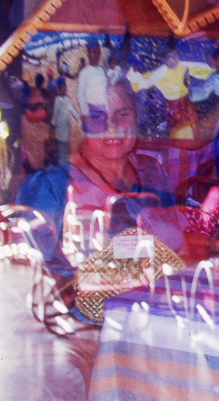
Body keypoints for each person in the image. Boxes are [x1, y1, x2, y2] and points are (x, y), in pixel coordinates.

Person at [17, 79, 184, 280]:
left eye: (123, 114)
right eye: (97, 115)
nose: (112, 125)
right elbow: (33, 277)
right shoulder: (49, 187)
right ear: (84, 123)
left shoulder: (152, 173)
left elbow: (178, 250)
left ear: (136, 118)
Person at [76, 38, 109, 134]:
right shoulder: (84, 72)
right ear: (88, 54)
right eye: (94, 52)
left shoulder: (101, 70)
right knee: (91, 138)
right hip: (90, 112)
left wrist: (107, 110)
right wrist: (85, 113)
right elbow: (80, 94)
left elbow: (105, 92)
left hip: (102, 111)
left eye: (99, 52)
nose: (97, 55)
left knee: (102, 137)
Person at [50, 76, 80, 165]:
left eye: (65, 87)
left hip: (66, 126)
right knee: (60, 146)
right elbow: (55, 113)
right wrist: (53, 124)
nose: (65, 89)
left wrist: (78, 116)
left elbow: (72, 110)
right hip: (59, 127)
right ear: (59, 89)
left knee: (66, 145)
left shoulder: (67, 99)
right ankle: (61, 163)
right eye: (63, 87)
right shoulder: (57, 100)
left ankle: (66, 163)